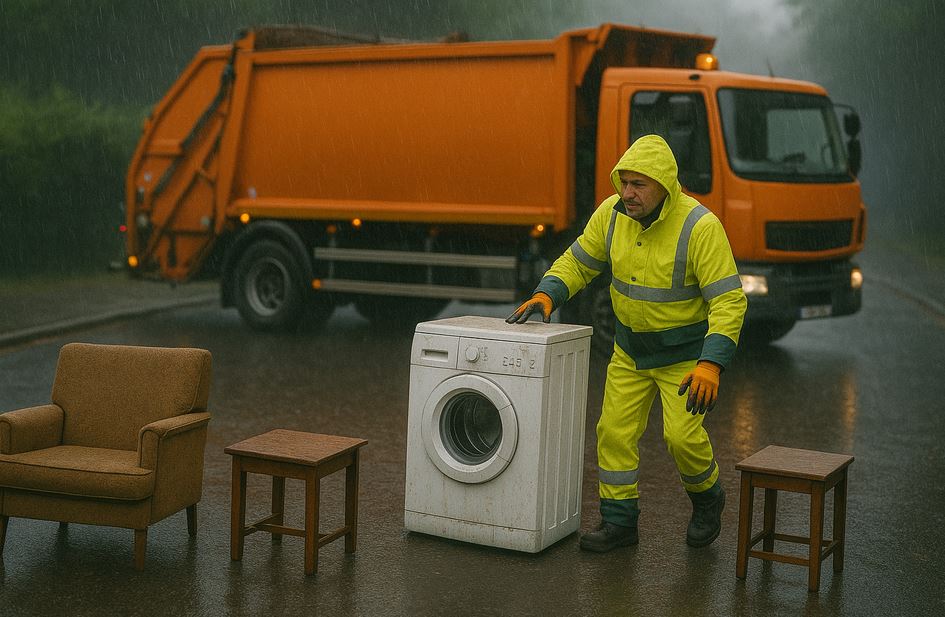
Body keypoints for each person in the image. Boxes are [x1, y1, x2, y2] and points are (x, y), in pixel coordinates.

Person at [506, 134, 747, 552]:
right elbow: (580, 260)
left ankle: (708, 500)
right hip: (630, 352)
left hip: (685, 359)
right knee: (613, 434)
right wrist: (549, 292)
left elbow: (728, 300)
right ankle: (620, 523)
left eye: (639, 184)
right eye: (624, 182)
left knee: (682, 439)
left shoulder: (700, 227)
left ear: (665, 186)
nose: (628, 193)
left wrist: (711, 364)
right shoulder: (612, 214)